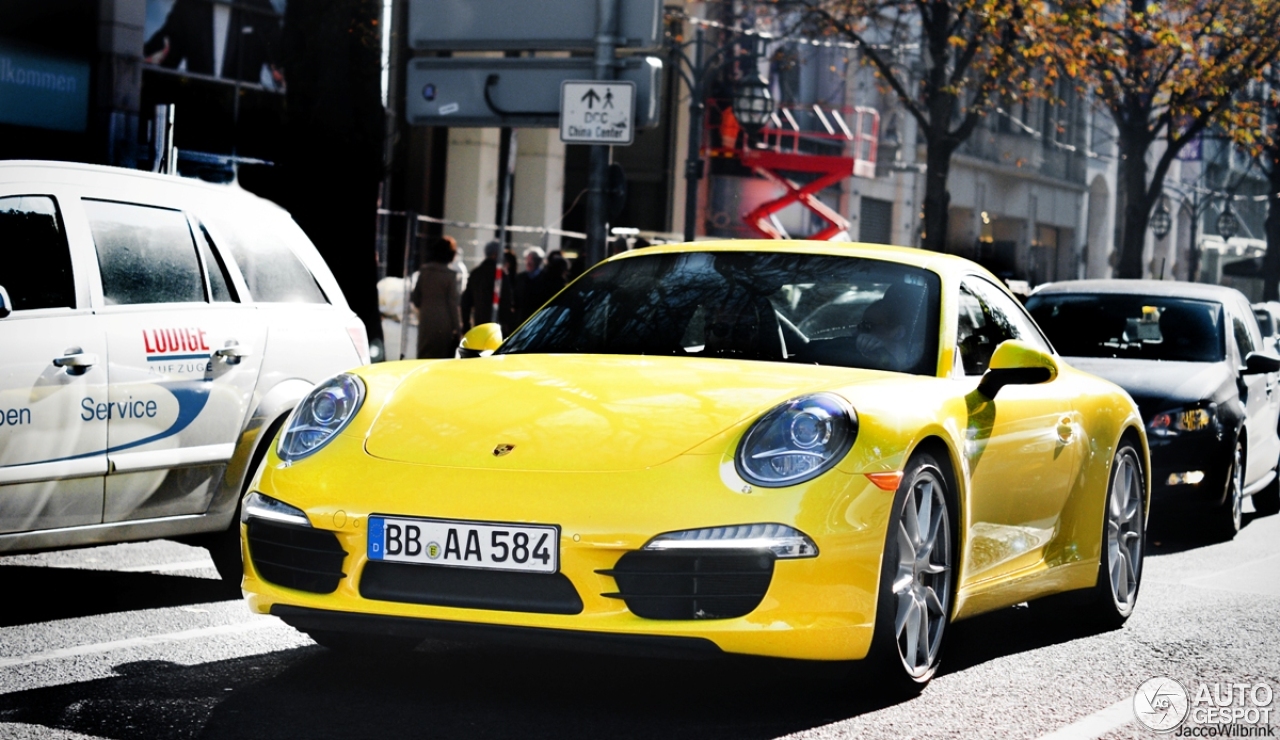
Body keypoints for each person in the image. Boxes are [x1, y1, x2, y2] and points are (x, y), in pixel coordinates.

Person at [410, 236, 463, 359]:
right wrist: (458, 329)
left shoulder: (424, 271)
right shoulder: (451, 276)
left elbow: (415, 298)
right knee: (441, 358)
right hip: (445, 324)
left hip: (425, 321)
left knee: (424, 355)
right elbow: (453, 305)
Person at [854, 283, 924, 372]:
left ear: (898, 333)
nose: (859, 332)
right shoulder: (860, 354)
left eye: (868, 326)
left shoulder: (920, 363)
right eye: (860, 325)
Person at [461, 240, 517, 334]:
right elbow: (506, 302)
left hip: (479, 325)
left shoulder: (475, 273)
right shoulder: (500, 275)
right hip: (497, 327)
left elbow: (465, 302)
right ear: (495, 254)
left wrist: (466, 325)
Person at [515, 246, 546, 323]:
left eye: (532, 260)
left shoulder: (546, 278)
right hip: (522, 319)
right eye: (527, 259)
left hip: (539, 318)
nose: (528, 262)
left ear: (538, 261)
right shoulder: (520, 277)